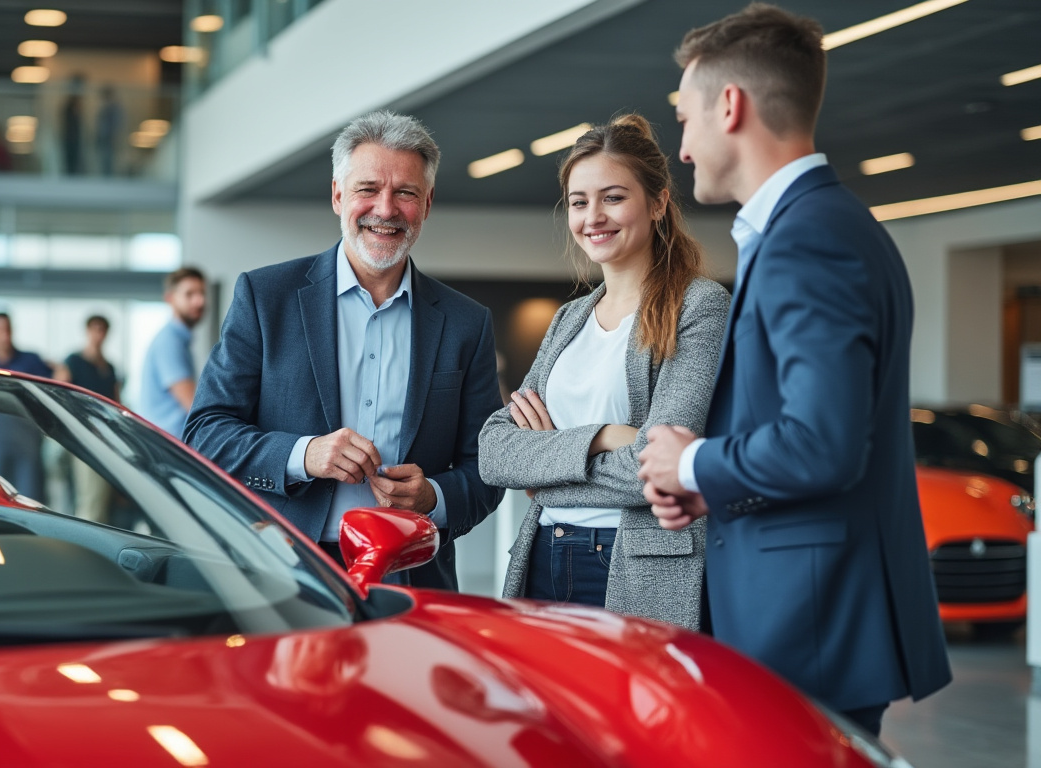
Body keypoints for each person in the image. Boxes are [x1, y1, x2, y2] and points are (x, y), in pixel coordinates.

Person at [635, 3, 951, 736]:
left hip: (811, 621)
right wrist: (715, 486)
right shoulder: (828, 225)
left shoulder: (808, 241)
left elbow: (822, 443)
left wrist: (693, 464)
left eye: (685, 118)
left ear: (731, 105)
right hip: (816, 611)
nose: (682, 148)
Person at [184, 110, 503, 590]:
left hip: (411, 578)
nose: (386, 209)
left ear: (428, 203)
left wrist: (433, 496)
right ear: (338, 195)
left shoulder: (466, 323)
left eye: (406, 193)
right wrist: (303, 454)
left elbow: (488, 466)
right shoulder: (265, 297)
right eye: (367, 189)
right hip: (281, 571)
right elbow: (205, 434)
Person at [478, 115, 728, 629]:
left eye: (613, 197)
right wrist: (604, 438)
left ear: (658, 203)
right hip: (544, 555)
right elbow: (494, 452)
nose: (593, 216)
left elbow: (656, 473)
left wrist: (546, 468)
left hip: (633, 564)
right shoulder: (570, 319)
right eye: (578, 201)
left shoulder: (699, 307)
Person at [0, 312, 55, 500]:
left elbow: (57, 381)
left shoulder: (31, 360)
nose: (5, 334)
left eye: (8, 328)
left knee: (31, 499)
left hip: (28, 441)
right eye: (0, 329)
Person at [56, 315, 121, 524]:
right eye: (95, 329)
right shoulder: (73, 362)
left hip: (104, 438)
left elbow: (115, 404)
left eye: (102, 330)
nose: (98, 335)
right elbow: (58, 394)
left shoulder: (108, 368)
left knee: (101, 498)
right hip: (82, 436)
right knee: (88, 498)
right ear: (87, 331)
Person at [140, 267, 207, 438]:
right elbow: (195, 407)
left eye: (202, 293)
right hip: (166, 450)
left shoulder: (179, 340)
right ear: (170, 299)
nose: (199, 301)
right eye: (189, 294)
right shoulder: (170, 341)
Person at [95, 86, 123, 176]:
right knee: (105, 160)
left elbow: (116, 124)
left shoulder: (114, 108)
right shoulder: (106, 108)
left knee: (109, 159)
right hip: (104, 137)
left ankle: (109, 177)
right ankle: (106, 176)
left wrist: (114, 135)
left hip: (110, 137)